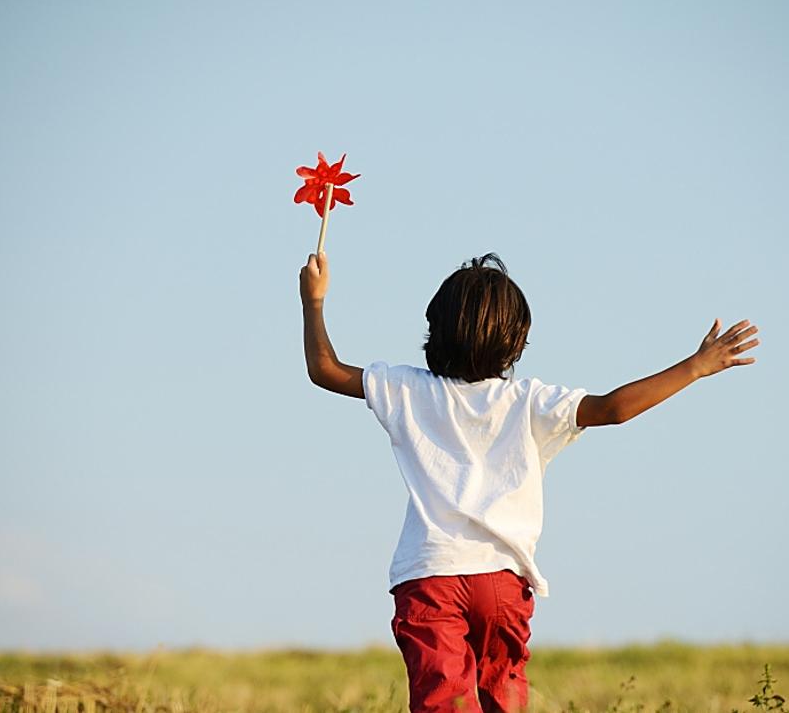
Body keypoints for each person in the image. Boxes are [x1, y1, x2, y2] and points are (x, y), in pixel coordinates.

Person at [299, 251, 758, 712]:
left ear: (433, 330)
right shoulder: (530, 401)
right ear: (517, 341)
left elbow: (325, 370)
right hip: (502, 581)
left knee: (445, 702)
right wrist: (695, 366)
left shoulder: (408, 389)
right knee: (503, 696)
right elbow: (613, 409)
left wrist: (313, 302)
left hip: (432, 575)